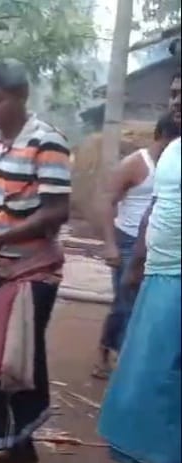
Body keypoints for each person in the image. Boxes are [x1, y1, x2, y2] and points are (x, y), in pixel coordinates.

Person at [0, 59, 72, 463]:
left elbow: (57, 212)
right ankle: (21, 453)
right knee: (9, 364)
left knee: (5, 362)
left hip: (34, 271)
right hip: (0, 268)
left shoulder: (48, 143)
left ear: (21, 97)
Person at [98, 135, 181, 463]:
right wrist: (136, 265)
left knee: (170, 372)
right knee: (153, 369)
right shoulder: (174, 151)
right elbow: (156, 207)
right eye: (174, 93)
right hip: (159, 273)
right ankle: (158, 454)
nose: (177, 100)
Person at [93, 113, 180, 379]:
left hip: (158, 242)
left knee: (145, 305)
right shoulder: (136, 163)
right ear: (164, 136)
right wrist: (110, 245)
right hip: (130, 239)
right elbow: (106, 200)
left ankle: (128, 359)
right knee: (125, 302)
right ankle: (108, 354)